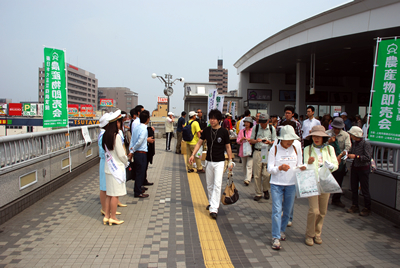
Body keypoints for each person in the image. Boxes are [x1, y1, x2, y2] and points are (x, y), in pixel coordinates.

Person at [189, 109, 234, 219]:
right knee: (209, 184)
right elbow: (199, 143)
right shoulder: (207, 130)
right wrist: (192, 154)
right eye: (211, 118)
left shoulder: (224, 132)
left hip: (220, 162)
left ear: (219, 120)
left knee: (217, 184)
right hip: (208, 161)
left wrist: (231, 160)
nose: (212, 120)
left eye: (214, 118)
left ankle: (214, 208)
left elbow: (228, 147)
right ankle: (211, 202)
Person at [268, 125, 306, 250]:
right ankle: (275, 237)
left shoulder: (296, 147)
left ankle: (282, 230)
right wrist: (279, 168)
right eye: (287, 139)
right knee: (277, 210)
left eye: (292, 139)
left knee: (288, 211)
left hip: (291, 184)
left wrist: (303, 166)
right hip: (276, 184)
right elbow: (270, 169)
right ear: (281, 139)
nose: (290, 142)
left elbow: (299, 164)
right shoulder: (274, 148)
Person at [304, 125, 338, 246]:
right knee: (314, 210)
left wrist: (330, 167)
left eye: (319, 136)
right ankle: (309, 234)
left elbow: (335, 164)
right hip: (312, 182)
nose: (316, 138)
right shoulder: (307, 149)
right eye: (314, 136)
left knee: (322, 211)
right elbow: (304, 166)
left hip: (325, 182)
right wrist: (308, 163)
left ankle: (317, 233)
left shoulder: (329, 149)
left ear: (323, 137)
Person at [102, 110, 128, 226]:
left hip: (108, 168)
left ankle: (106, 216)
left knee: (109, 194)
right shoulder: (116, 136)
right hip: (116, 169)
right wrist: (127, 161)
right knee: (114, 195)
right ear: (116, 123)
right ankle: (113, 217)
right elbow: (121, 154)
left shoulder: (105, 135)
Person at [346, 126, 372, 216]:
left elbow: (368, 157)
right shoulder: (354, 143)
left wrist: (356, 156)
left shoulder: (365, 144)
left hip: (363, 169)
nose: (351, 136)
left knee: (365, 189)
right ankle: (355, 205)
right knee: (354, 188)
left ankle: (367, 208)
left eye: (352, 134)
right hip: (355, 168)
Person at [249, 114, 276, 201]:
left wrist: (270, 142)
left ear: (268, 121)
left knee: (266, 174)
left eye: (264, 122)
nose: (262, 124)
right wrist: (256, 140)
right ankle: (258, 193)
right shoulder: (256, 128)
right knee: (257, 174)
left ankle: (265, 189)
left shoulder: (272, 129)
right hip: (258, 151)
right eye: (261, 122)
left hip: (267, 152)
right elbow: (251, 140)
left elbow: (275, 141)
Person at [326, 117, 351, 208]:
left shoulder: (345, 135)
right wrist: (329, 141)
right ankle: (325, 198)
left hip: (340, 161)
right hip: (328, 160)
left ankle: (336, 199)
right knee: (327, 180)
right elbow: (321, 145)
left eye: (338, 128)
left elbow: (348, 147)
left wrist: (340, 155)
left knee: (339, 180)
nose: (336, 130)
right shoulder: (327, 133)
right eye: (335, 128)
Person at [129, 110, 154, 198]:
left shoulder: (136, 128)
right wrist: (134, 149)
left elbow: (132, 140)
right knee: (140, 172)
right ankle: (138, 191)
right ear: (147, 119)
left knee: (138, 172)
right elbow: (140, 141)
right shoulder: (144, 129)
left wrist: (131, 151)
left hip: (136, 153)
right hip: (141, 153)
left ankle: (138, 188)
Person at [236, 117, 253, 185]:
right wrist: (241, 139)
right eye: (245, 122)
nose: (246, 123)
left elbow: (255, 140)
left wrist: (250, 140)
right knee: (244, 165)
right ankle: (246, 177)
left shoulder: (253, 131)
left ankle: (247, 179)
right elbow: (237, 141)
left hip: (250, 149)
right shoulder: (241, 131)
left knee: (249, 165)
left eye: (248, 122)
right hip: (243, 150)